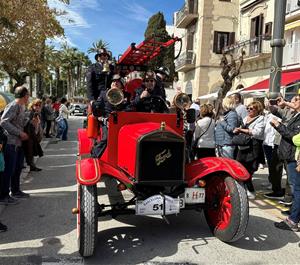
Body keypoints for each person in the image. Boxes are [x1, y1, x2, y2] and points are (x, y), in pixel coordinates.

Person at [272, 95, 300, 231]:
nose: (291, 102)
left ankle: (293, 220)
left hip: (294, 158)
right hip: (290, 156)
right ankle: (294, 213)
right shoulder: (296, 115)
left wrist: (279, 126)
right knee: (295, 188)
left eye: (295, 100)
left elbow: (294, 138)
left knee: (297, 189)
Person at [0, 86, 30, 204]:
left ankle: (16, 190)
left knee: (17, 168)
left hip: (18, 143)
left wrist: (30, 120)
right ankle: (3, 195)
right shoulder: (14, 105)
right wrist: (20, 133)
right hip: (10, 143)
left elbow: (19, 122)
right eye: (27, 95)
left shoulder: (21, 106)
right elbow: (3, 121)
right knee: (9, 170)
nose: (28, 97)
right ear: (24, 95)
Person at [91, 74, 131, 158]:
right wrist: (95, 105)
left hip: (121, 120)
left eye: (117, 82)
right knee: (107, 138)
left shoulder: (126, 95)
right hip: (107, 121)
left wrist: (121, 113)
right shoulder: (103, 93)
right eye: (113, 82)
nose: (115, 83)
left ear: (121, 85)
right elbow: (98, 108)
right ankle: (94, 155)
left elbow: (129, 108)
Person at [233, 101, 264, 199]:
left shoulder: (260, 119)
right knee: (240, 168)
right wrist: (238, 130)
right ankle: (243, 189)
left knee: (249, 170)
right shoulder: (245, 118)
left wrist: (242, 130)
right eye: (248, 108)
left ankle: (250, 190)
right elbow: (242, 129)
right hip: (242, 147)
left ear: (257, 110)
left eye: (251, 109)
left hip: (253, 147)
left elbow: (257, 133)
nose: (249, 110)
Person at [23, 99, 43, 172]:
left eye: (39, 105)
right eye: (36, 105)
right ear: (32, 105)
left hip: (34, 134)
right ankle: (31, 166)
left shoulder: (37, 113)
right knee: (30, 151)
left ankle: (32, 166)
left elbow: (38, 124)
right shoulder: (30, 113)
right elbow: (27, 124)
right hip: (29, 135)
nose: (38, 107)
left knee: (32, 151)